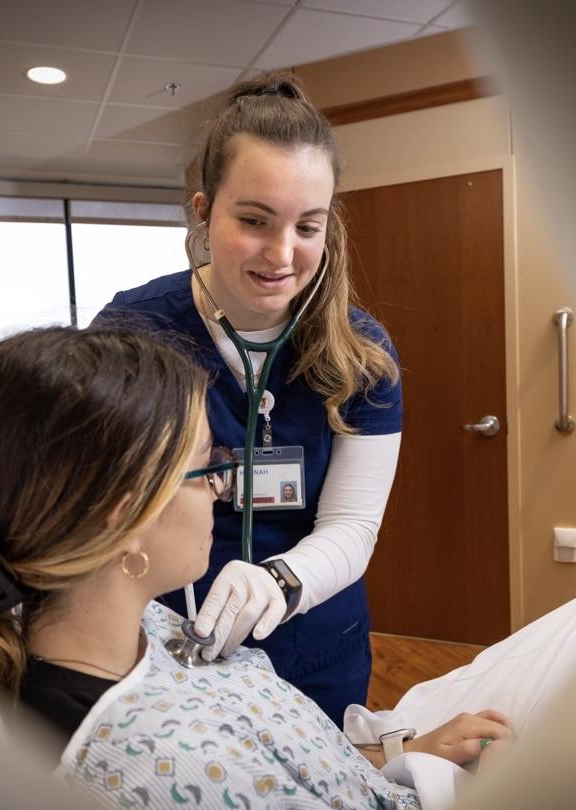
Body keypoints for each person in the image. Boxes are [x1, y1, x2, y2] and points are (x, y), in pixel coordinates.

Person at [0, 326, 576, 810]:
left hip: (388, 770)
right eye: (206, 470)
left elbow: (283, 773)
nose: (225, 492)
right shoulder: (161, 783)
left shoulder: (143, 635)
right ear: (123, 517)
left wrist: (398, 755)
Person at [93, 73, 402, 724]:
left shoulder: (362, 354)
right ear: (204, 212)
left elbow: (353, 525)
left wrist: (279, 581)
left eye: (307, 227)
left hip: (314, 642)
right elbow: (101, 504)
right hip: (171, 640)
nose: (282, 255)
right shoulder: (134, 334)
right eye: (255, 221)